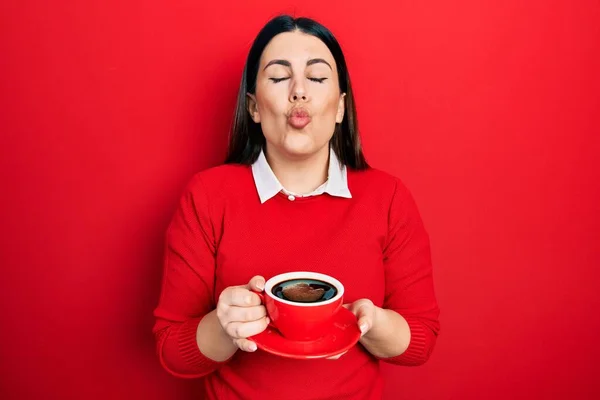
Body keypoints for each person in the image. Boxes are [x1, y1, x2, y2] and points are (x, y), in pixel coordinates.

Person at [153, 14, 440, 400]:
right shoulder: (207, 196)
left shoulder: (387, 197)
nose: (299, 92)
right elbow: (173, 350)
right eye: (278, 77)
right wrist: (225, 326)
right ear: (253, 107)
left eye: (317, 78)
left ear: (340, 108)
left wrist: (368, 321)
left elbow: (420, 341)